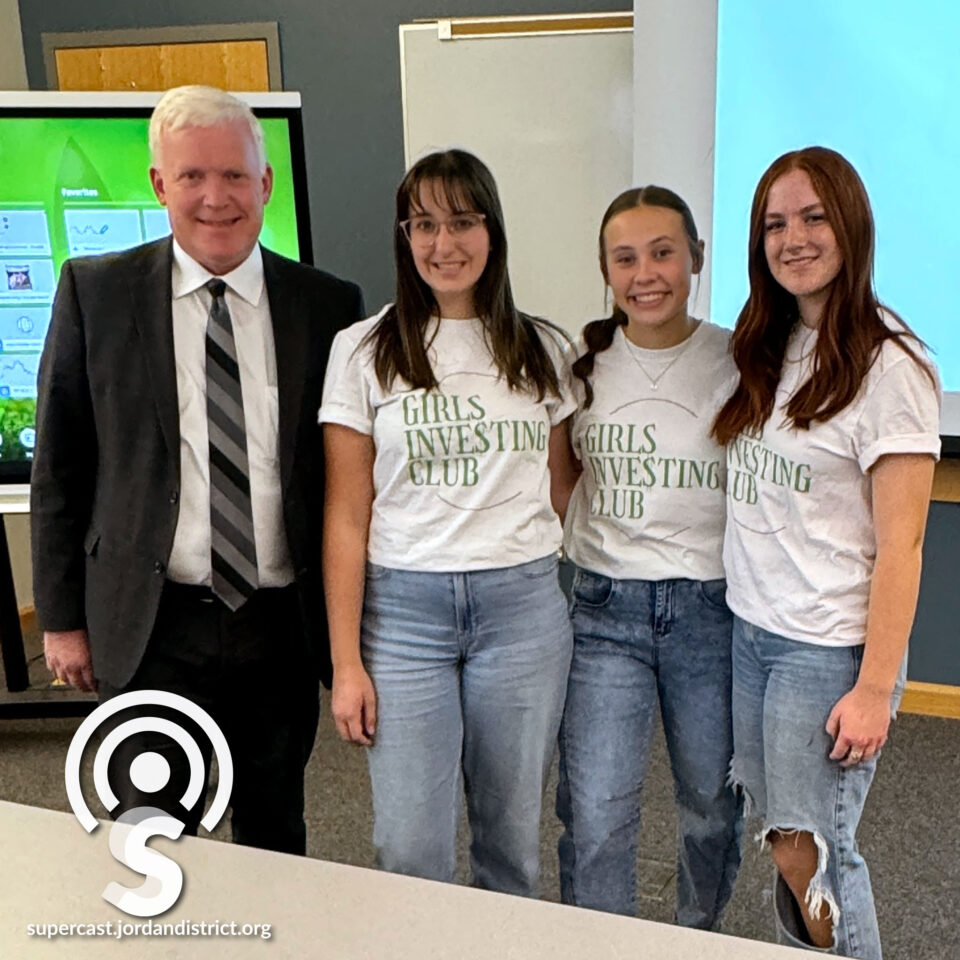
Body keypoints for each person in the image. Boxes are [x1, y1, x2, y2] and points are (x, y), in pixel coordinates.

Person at [32, 85, 364, 853]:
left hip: (277, 622)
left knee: (276, 826)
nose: (216, 198)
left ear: (265, 183)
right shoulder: (97, 292)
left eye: (235, 176)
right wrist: (60, 618)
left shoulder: (327, 305)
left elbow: (343, 476)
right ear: (158, 185)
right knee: (151, 831)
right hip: (152, 620)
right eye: (192, 177)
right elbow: (61, 464)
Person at [320, 149, 577, 895]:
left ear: (491, 231)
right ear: (405, 236)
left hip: (521, 611)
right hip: (404, 618)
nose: (444, 243)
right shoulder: (363, 351)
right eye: (424, 224)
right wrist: (346, 665)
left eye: (462, 221)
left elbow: (560, 489)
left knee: (510, 845)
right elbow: (345, 516)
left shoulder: (544, 348)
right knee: (408, 850)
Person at [713, 147, 940, 957]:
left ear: (851, 226)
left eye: (813, 218)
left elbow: (904, 544)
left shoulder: (891, 366)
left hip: (825, 648)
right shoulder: (770, 348)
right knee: (786, 846)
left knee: (819, 858)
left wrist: (876, 688)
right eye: (775, 224)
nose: (793, 238)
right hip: (754, 634)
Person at [555, 186, 743, 929]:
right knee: (596, 811)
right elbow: (562, 478)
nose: (646, 273)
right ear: (606, 269)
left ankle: (698, 938)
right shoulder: (582, 362)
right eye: (624, 258)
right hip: (605, 610)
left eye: (663, 252)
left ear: (697, 256)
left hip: (711, 611)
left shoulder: (739, 360)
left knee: (709, 807)